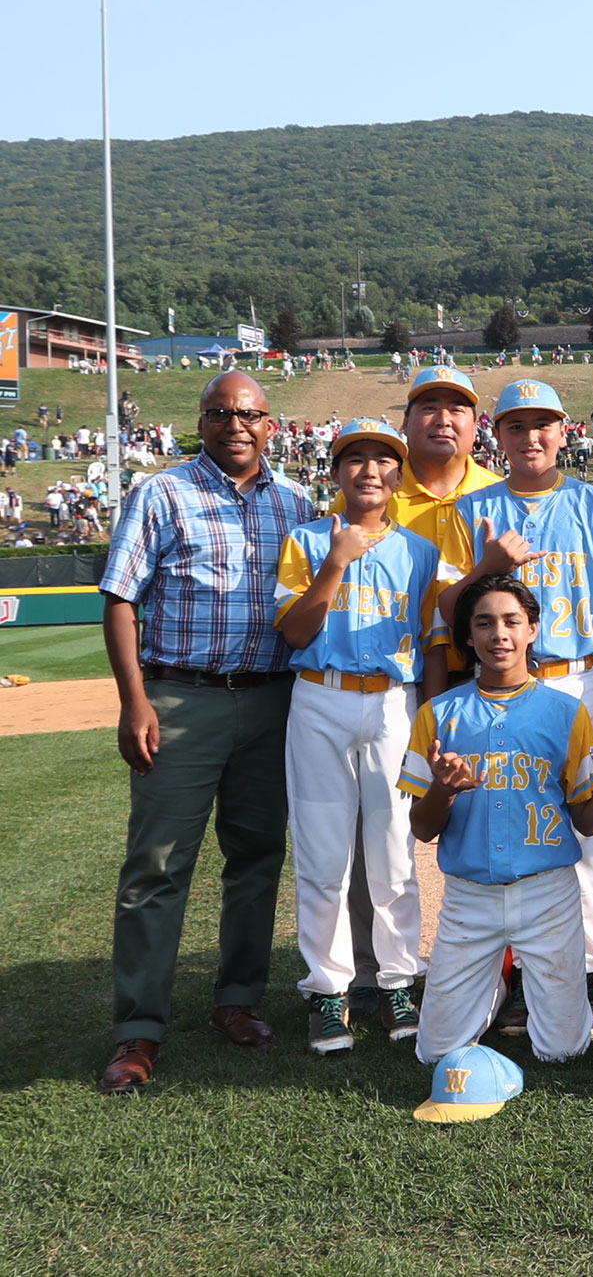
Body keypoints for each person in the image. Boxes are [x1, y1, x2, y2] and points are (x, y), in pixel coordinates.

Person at [96, 369, 315, 1094]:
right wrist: (135, 701)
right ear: (202, 419)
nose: (236, 425)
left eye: (249, 414)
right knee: (157, 867)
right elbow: (122, 599)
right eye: (221, 413)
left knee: (256, 858)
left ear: (270, 424)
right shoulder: (161, 493)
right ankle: (139, 1028)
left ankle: (237, 1001)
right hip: (181, 699)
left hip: (271, 701)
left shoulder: (298, 502)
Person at [435, 379, 593, 1037]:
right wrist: (486, 568)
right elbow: (445, 611)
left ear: (564, 432)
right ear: (498, 435)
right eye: (517, 425)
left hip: (579, 678)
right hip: (498, 686)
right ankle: (527, 976)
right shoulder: (472, 509)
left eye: (543, 425)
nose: (530, 437)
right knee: (516, 823)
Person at [401, 573, 593, 1065]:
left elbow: (586, 821)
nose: (498, 634)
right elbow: (422, 828)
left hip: (547, 892)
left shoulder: (568, 712)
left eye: (511, 621)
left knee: (563, 1051)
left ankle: (509, 985)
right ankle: (500, 982)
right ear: (468, 636)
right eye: (484, 623)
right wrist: (444, 789)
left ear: (531, 630)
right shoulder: (437, 714)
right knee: (435, 1052)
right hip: (469, 897)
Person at [332, 362, 499, 1020]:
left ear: (475, 423)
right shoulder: (377, 495)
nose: (442, 417)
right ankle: (376, 971)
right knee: (378, 826)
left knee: (493, 815)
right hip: (399, 681)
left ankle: (494, 969)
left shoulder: (499, 491)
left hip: (489, 676)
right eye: (427, 405)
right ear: (406, 423)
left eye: (456, 406)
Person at [275, 419, 446, 1054]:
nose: (369, 470)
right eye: (355, 459)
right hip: (319, 696)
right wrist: (335, 564)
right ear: (335, 472)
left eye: (382, 459)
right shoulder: (307, 539)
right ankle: (328, 992)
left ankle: (398, 981)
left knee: (396, 855)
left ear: (399, 474)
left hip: (393, 705)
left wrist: (426, 719)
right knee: (323, 858)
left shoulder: (420, 551)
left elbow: (433, 642)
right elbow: (293, 633)